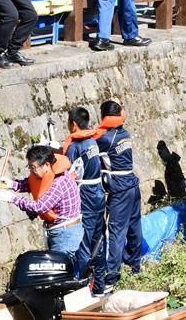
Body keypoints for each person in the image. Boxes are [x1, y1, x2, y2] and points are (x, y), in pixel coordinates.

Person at [62, 106, 121, 295]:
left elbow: (66, 170)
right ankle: (99, 287)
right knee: (99, 240)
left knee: (84, 243)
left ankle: (80, 288)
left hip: (85, 196)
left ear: (73, 124)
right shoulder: (92, 142)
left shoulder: (75, 146)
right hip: (98, 194)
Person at [0, 145, 82, 258]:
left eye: (33, 168)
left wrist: (12, 198)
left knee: (60, 266)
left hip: (65, 234)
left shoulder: (59, 182)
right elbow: (32, 184)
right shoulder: (47, 173)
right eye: (30, 167)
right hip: (57, 230)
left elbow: (39, 207)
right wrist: (11, 184)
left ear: (46, 165)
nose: (31, 171)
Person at [97, 100, 143, 292]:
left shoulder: (105, 139)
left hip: (120, 189)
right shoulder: (124, 133)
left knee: (116, 231)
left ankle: (112, 277)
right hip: (132, 184)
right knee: (134, 226)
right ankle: (135, 265)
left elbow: (86, 148)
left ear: (104, 116)